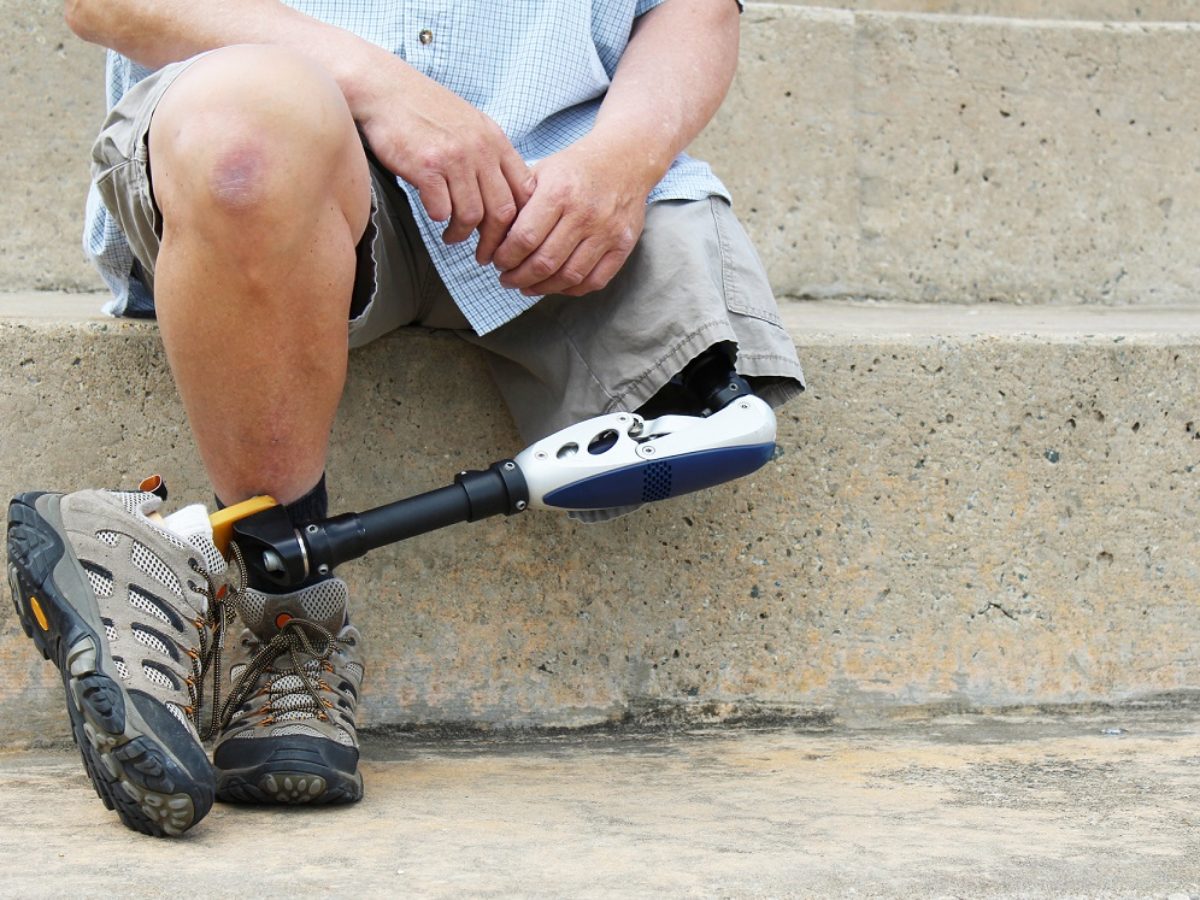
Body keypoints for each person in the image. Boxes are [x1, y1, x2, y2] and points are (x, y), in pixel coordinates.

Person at [8, 0, 805, 836]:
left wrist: (623, 161)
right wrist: (382, 88)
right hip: (285, 149)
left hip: (560, 190)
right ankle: (290, 613)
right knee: (243, 143)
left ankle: (147, 554)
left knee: (714, 414)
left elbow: (692, 9)